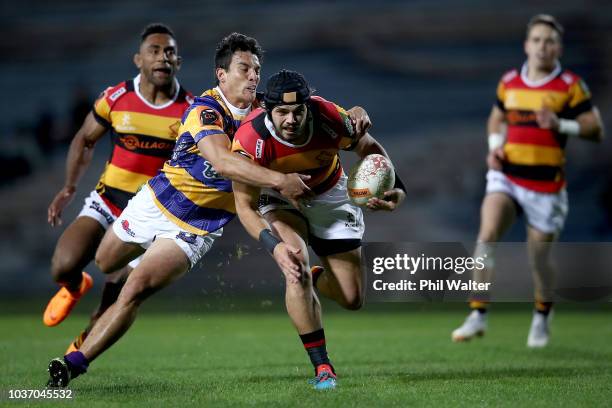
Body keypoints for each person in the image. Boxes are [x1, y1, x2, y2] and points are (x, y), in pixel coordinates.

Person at [46, 34, 369, 388]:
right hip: (156, 201)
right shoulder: (204, 110)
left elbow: (313, 109)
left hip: (198, 225)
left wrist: (354, 112)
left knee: (135, 288)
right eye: (244, 69)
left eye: (256, 70)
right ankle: (93, 282)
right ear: (221, 75)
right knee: (107, 262)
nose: (252, 77)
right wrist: (279, 180)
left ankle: (74, 362)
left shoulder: (269, 110)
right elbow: (222, 161)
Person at [231, 70, 406, 389]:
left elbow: (370, 149)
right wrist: (275, 246)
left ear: (308, 106)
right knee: (294, 265)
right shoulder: (249, 139)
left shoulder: (331, 118)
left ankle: (312, 275)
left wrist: (396, 187)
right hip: (278, 197)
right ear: (267, 109)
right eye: (282, 111)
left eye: (298, 110)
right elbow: (244, 206)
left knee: (352, 298)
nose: (291, 119)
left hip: (332, 195)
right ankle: (323, 367)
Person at [451, 14, 604, 348]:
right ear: (526, 45)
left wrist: (561, 125)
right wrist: (494, 149)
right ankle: (477, 313)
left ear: (558, 47)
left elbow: (595, 129)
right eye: (536, 40)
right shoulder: (510, 82)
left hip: (546, 185)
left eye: (549, 41)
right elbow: (496, 119)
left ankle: (542, 314)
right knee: (486, 236)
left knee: (538, 258)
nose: (542, 47)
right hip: (507, 177)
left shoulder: (570, 85)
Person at [44, 23, 194, 353]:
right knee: (62, 265)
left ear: (178, 62)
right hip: (107, 201)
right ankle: (74, 285)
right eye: (154, 51)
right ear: (138, 59)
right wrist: (69, 187)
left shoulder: (191, 112)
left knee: (117, 296)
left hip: (150, 216)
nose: (162, 57)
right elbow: (84, 140)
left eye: (169, 52)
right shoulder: (117, 98)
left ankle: (78, 353)